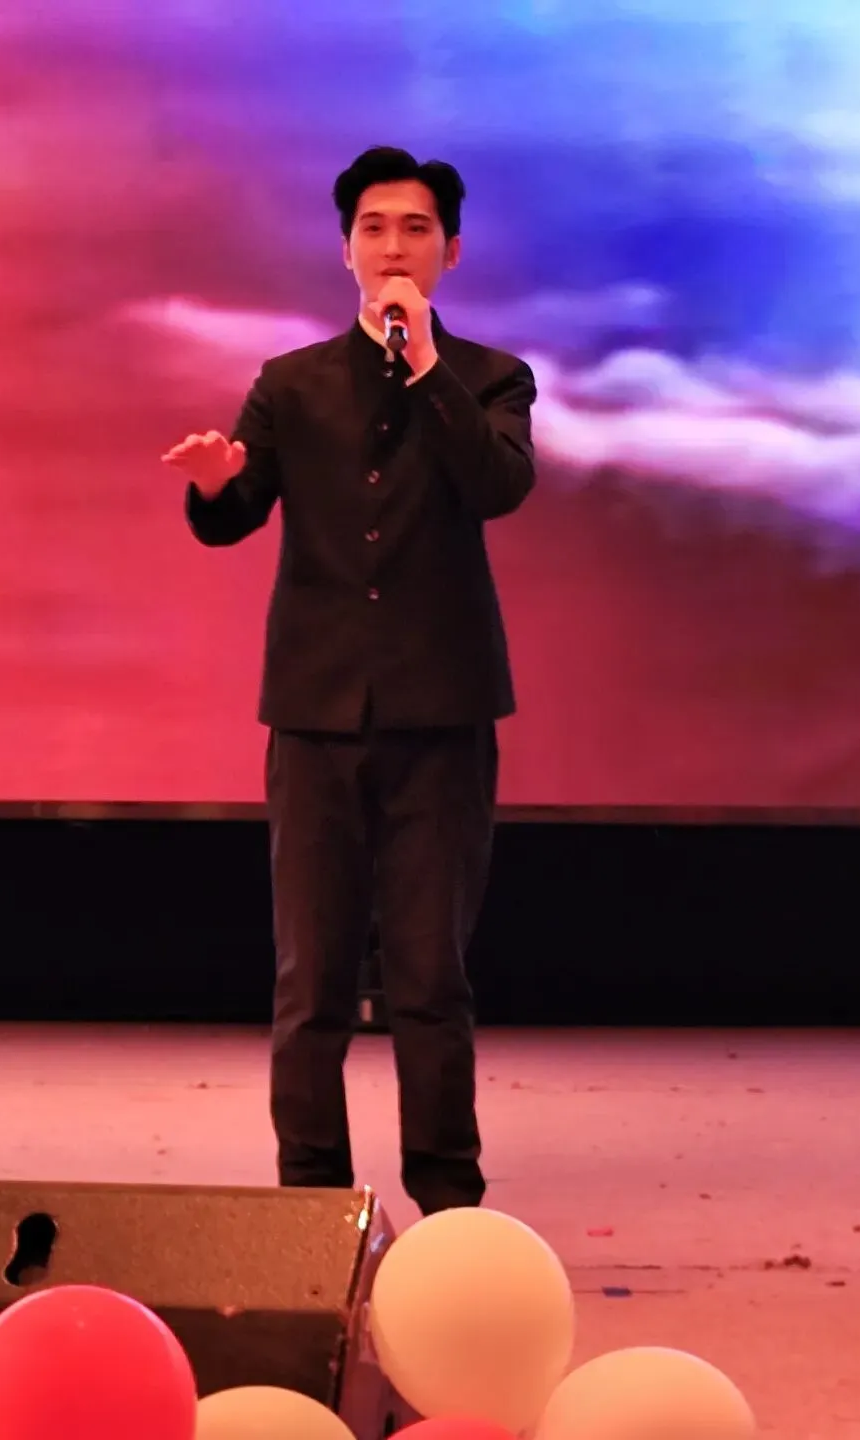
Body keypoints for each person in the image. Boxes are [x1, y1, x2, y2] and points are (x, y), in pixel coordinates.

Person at [162, 146, 536, 1215]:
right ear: (345, 251)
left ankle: (448, 1206)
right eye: (374, 228)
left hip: (443, 711)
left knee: (429, 978)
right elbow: (235, 515)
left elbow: (499, 484)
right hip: (316, 711)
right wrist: (212, 484)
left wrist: (427, 369)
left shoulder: (492, 378)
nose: (393, 246)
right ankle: (309, 1208)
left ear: (451, 251)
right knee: (311, 981)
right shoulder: (292, 383)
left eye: (416, 228)